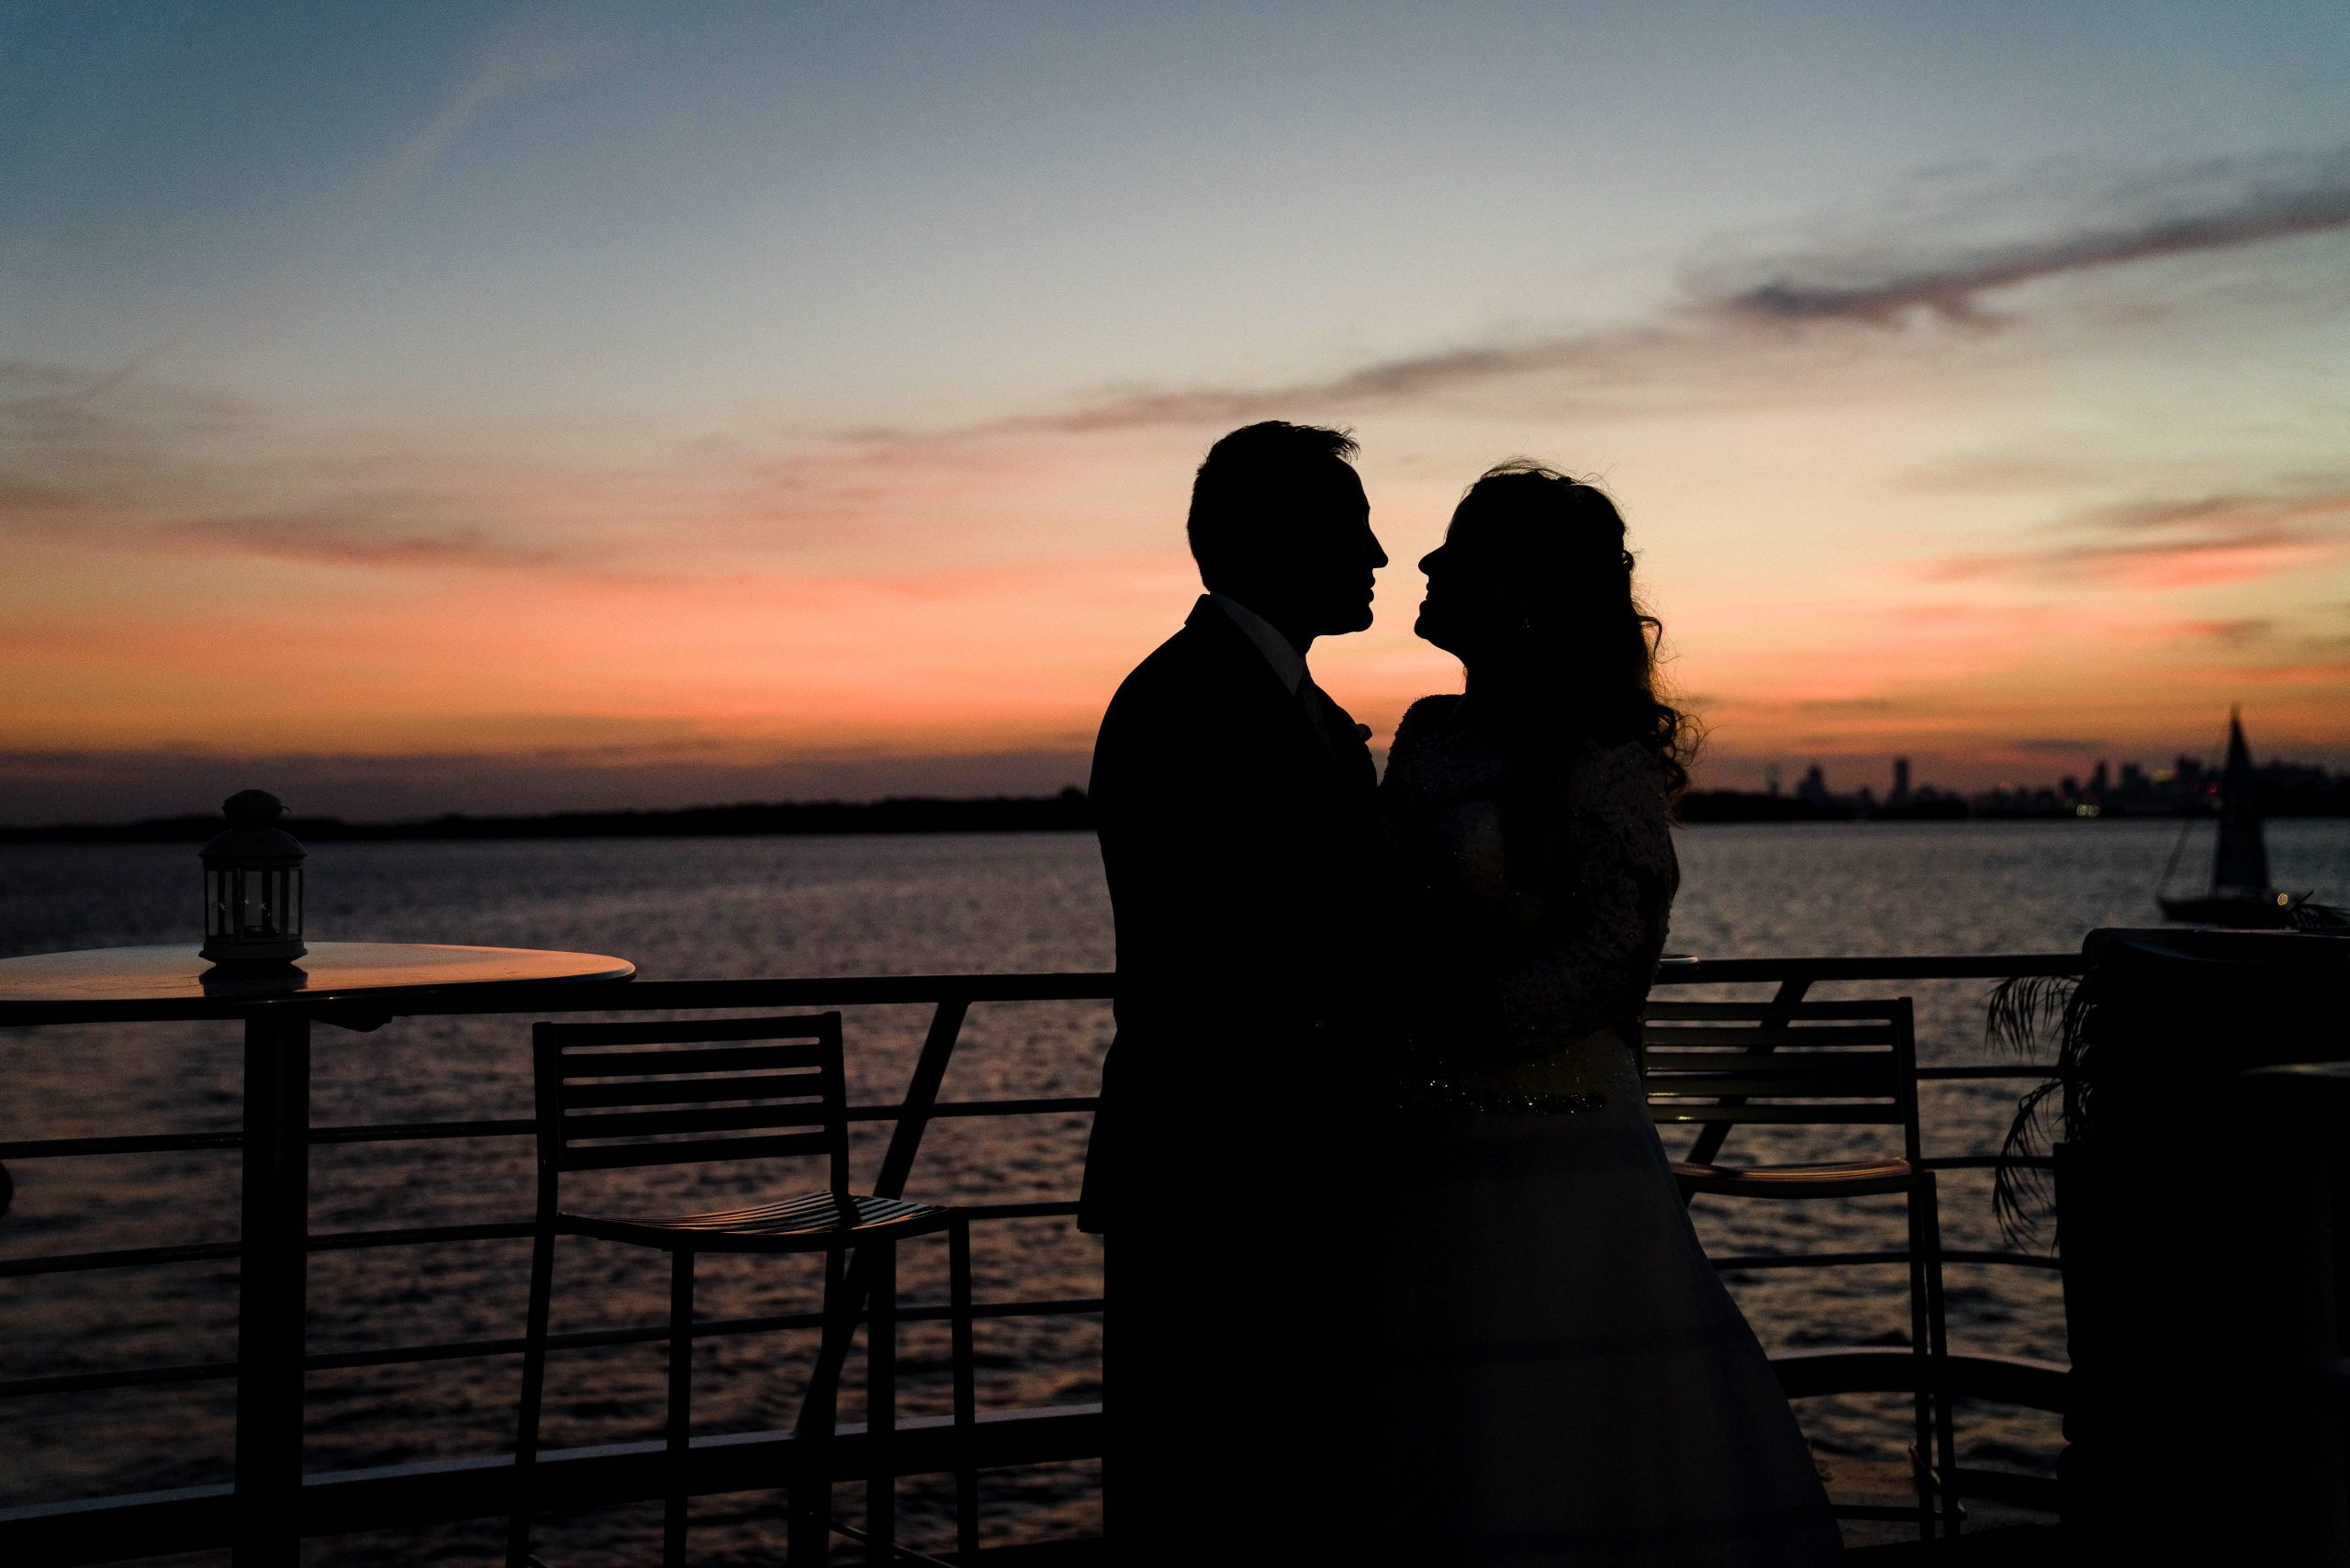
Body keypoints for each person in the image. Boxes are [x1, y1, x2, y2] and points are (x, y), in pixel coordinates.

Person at [1372, 464, 1841, 1565]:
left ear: (1524, 591)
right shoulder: (1429, 733)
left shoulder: (1602, 753)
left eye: (1458, 552)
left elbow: (1615, 947)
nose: (1428, 567)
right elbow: (1383, 899)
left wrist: (1466, 1016)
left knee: (1580, 1420)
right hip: (1420, 1138)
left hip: (1560, 1134)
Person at [1079, 420, 1389, 1563]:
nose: (1379, 553)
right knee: (1210, 1499)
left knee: (1286, 1491)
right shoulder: (1182, 703)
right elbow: (1234, 952)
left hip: (1272, 1169)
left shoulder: (1289, 705)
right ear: (1269, 534)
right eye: (1351, 525)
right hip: (1218, 1171)